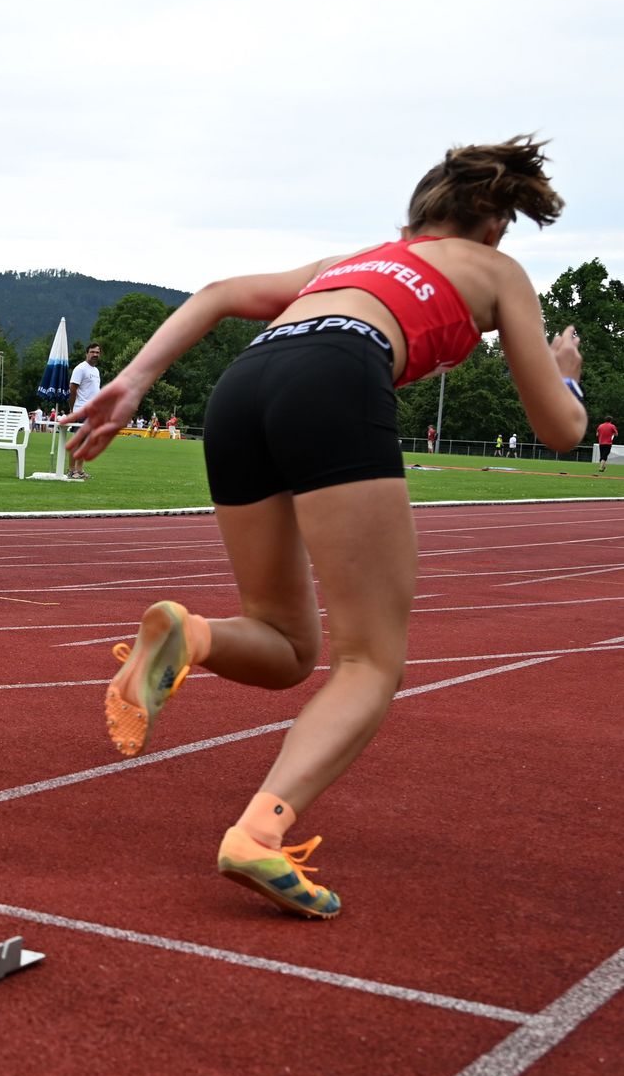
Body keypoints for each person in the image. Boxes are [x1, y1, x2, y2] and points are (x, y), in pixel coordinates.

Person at [72, 136, 582, 919]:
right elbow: (560, 431)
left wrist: (135, 380)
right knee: (373, 659)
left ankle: (190, 634)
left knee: (287, 648)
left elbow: (212, 294)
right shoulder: (500, 272)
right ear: (492, 225)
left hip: (247, 383)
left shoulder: (346, 264)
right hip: (339, 374)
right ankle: (259, 834)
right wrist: (568, 377)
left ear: (416, 217)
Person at [68, 343, 103, 480]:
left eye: (97, 352)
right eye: (92, 352)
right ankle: (71, 470)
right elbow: (72, 388)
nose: (95, 354)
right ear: (86, 353)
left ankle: (80, 469)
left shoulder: (95, 370)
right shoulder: (81, 369)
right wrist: (72, 409)